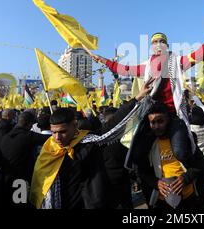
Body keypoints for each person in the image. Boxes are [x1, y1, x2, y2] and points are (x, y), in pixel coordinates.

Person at [29, 80, 152, 209]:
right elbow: (39, 183)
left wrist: (137, 98)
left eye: (62, 132)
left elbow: (113, 124)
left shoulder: (89, 142)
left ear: (75, 125)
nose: (57, 137)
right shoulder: (49, 149)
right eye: (54, 132)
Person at [90, 13, 204, 123]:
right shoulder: (146, 67)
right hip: (152, 115)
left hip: (173, 115)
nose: (158, 44)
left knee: (181, 150)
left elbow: (200, 54)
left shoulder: (178, 61)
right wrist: (105, 61)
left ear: (167, 46)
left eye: (162, 41)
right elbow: (124, 69)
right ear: (151, 47)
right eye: (155, 42)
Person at [132, 103, 204, 210]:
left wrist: (185, 178)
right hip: (162, 201)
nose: (157, 126)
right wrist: (156, 183)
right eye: (153, 122)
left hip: (188, 199)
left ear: (168, 119)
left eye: (160, 121)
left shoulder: (182, 141)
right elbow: (141, 171)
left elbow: (201, 163)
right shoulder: (149, 145)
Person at [0, 111, 50, 183]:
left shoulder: (6, 136)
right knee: (22, 194)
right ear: (29, 124)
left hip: (5, 177)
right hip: (20, 179)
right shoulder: (27, 136)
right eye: (31, 124)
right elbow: (48, 138)